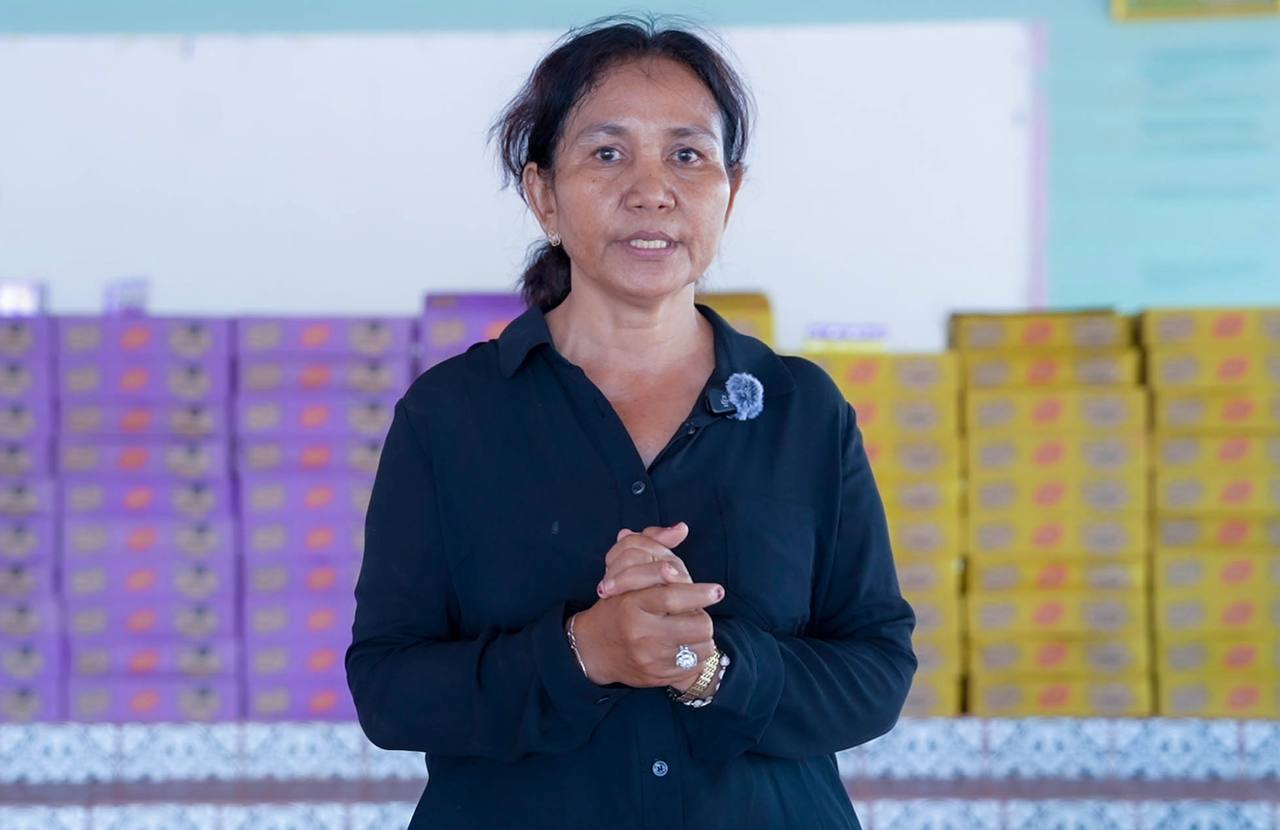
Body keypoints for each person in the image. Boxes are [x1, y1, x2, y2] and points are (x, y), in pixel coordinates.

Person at [345, 14, 916, 830]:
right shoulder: (452, 415)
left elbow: (877, 670)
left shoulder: (802, 411)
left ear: (730, 191)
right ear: (543, 194)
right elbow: (389, 691)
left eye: (688, 155)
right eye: (608, 154)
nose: (652, 190)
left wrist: (711, 667)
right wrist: (585, 653)